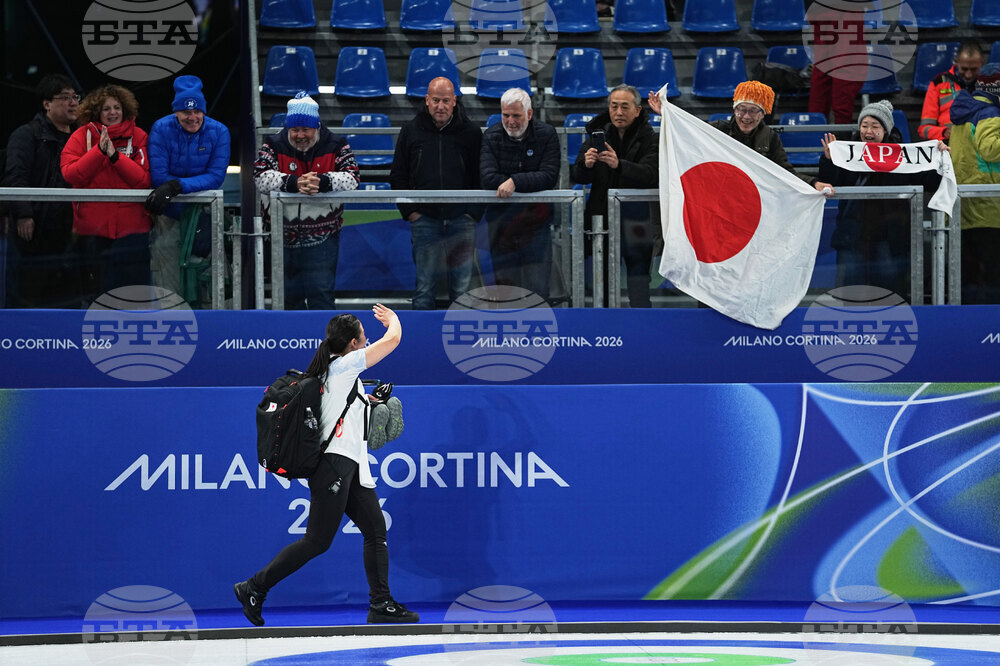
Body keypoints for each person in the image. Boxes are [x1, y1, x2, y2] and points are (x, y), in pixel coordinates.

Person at [234, 304, 419, 627]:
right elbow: (393, 341)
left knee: (375, 531)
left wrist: (373, 401)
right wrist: (394, 321)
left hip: (352, 465)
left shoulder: (339, 372)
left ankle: (381, 603)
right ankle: (254, 587)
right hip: (334, 466)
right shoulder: (345, 365)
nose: (367, 337)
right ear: (352, 343)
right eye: (363, 334)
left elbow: (343, 414)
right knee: (317, 542)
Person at [819, 100, 944, 299]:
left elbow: (931, 183)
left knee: (891, 294)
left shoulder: (904, 155)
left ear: (886, 129)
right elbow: (829, 184)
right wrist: (829, 160)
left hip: (890, 238)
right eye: (864, 125)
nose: (868, 131)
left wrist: (939, 159)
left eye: (875, 126)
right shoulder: (845, 153)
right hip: (852, 237)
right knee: (851, 294)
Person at [254, 91, 359, 309]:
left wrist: (323, 182)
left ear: (316, 127)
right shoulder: (273, 144)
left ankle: (327, 344)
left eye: (306, 129)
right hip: (280, 238)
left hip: (323, 238)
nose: (300, 135)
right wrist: (294, 183)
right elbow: (260, 178)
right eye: (294, 130)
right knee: (286, 300)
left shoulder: (337, 144)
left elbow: (352, 179)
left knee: (321, 296)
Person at [389, 77, 483, 310]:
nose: (441, 106)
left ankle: (462, 344)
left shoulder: (471, 133)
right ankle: (420, 345)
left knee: (462, 292)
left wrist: (473, 213)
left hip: (462, 220)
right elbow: (398, 176)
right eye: (436, 100)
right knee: (424, 289)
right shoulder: (410, 130)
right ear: (427, 100)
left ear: (454, 102)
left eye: (446, 101)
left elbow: (482, 175)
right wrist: (411, 212)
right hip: (424, 220)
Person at [648, 81, 834, 192]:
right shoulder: (718, 129)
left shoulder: (770, 137)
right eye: (741, 110)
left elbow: (785, 172)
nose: (746, 117)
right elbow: (689, 132)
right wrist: (668, 115)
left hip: (755, 202)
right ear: (734, 109)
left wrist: (814, 183)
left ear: (763, 114)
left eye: (753, 111)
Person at [60, 83, 152, 301]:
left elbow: (143, 180)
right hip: (92, 231)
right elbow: (70, 174)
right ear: (96, 113)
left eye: (117, 107)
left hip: (133, 232)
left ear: (125, 109)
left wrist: (114, 156)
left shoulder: (139, 137)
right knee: (95, 296)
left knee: (132, 296)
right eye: (106, 109)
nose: (113, 113)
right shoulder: (81, 136)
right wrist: (99, 152)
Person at [571, 84, 659, 308]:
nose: (619, 112)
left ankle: (643, 332)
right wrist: (586, 164)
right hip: (602, 219)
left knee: (639, 284)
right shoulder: (597, 135)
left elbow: (651, 174)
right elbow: (577, 176)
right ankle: (605, 330)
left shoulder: (651, 138)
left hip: (639, 222)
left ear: (638, 110)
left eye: (625, 107)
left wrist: (620, 166)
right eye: (614, 106)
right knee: (602, 284)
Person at [146, 75, 231, 295]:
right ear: (176, 112)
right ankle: (170, 314)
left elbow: (215, 176)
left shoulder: (219, 131)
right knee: (166, 266)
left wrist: (177, 185)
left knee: (209, 270)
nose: (192, 117)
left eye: (197, 112)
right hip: (169, 213)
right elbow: (158, 175)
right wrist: (173, 185)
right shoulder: (161, 128)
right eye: (186, 112)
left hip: (204, 212)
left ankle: (210, 318)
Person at [3, 74, 79, 308]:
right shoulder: (27, 135)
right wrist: (24, 213)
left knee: (69, 299)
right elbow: (15, 176)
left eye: (75, 97)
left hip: (72, 233)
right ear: (47, 104)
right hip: (35, 230)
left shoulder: (82, 137)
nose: (73, 102)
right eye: (64, 98)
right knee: (30, 297)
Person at [479, 88, 560, 300]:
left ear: (530, 114)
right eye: (506, 115)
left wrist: (515, 181)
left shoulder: (547, 134)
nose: (510, 121)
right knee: (504, 292)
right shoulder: (491, 135)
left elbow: (549, 176)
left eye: (516, 115)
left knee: (538, 290)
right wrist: (523, 181)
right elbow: (488, 177)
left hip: (536, 226)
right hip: (501, 226)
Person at [949, 68, 1000, 304]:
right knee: (992, 279)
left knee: (970, 278)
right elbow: (991, 148)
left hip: (966, 207)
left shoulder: (965, 113)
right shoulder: (989, 113)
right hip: (989, 207)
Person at [918, 42, 986, 143]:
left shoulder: (992, 84)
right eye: (964, 69)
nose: (968, 75)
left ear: (982, 63)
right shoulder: (938, 83)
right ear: (956, 61)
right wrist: (943, 132)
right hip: (949, 144)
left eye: (974, 69)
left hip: (983, 143)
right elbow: (924, 130)